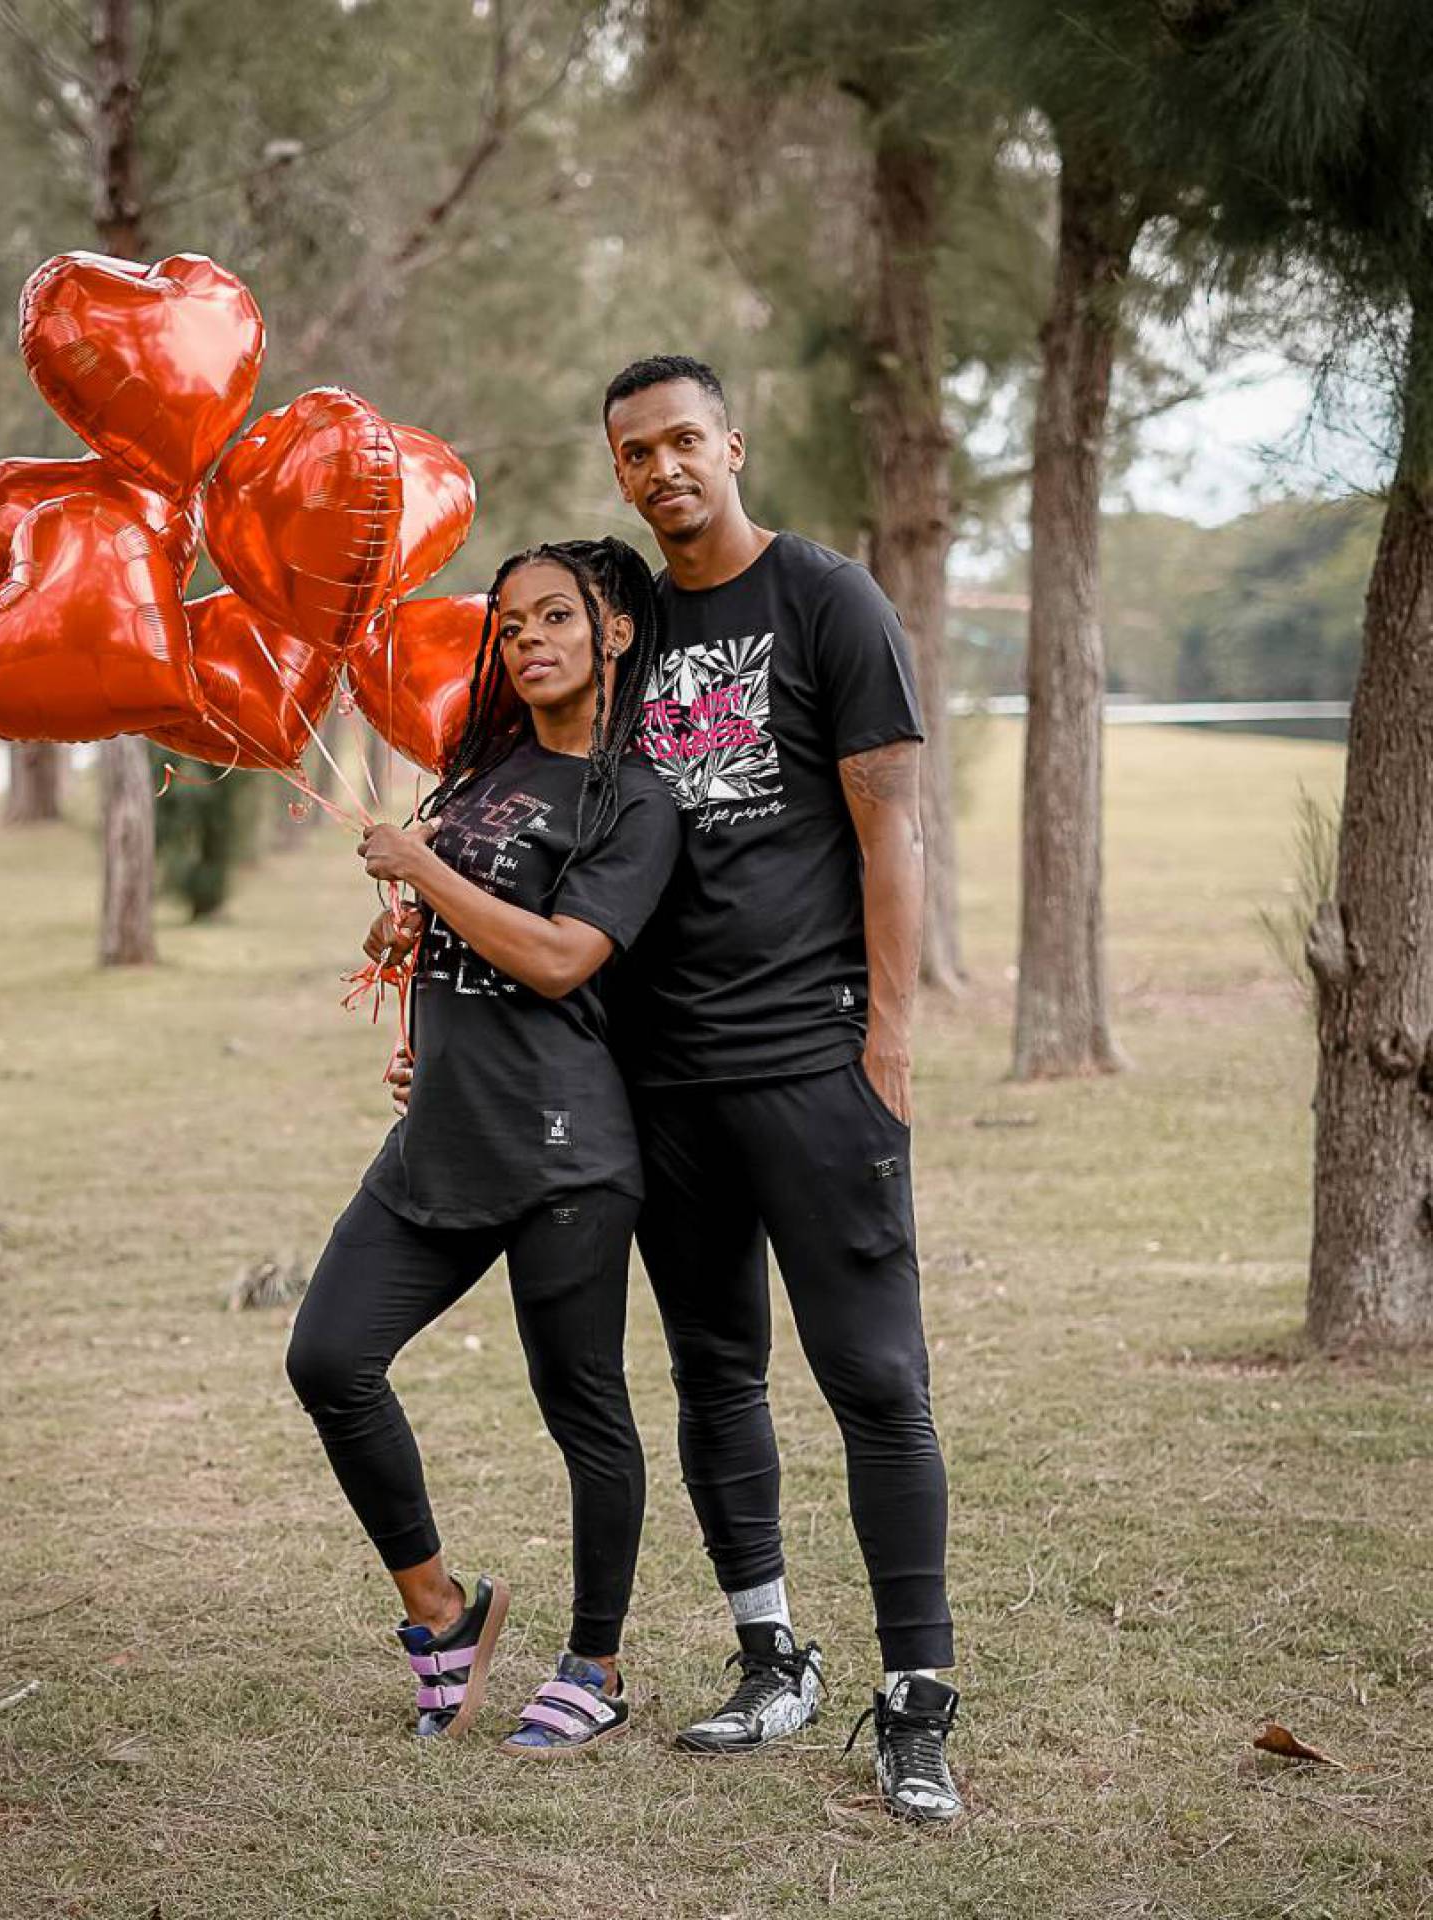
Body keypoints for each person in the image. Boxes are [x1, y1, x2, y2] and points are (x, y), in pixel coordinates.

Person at [600, 352, 962, 1821]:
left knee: (876, 1379)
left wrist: (884, 1052)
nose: (662, 468)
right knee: (712, 1370)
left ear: (730, 443)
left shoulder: (826, 600)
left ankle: (915, 1700)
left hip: (813, 1063)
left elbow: (890, 838)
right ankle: (771, 1657)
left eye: (684, 439)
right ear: (617, 470)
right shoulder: (617, 628)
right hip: (661, 1083)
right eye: (635, 452)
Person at [286, 537, 679, 1754]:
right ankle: (442, 1612)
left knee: (582, 1408)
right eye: (509, 628)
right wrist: (404, 930)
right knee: (328, 1359)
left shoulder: (635, 800)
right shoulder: (488, 763)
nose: (529, 643)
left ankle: (595, 1663)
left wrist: (423, 873)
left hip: (565, 1150)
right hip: (444, 1129)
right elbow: (455, 918)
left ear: (612, 631)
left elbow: (564, 955)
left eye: (554, 618)